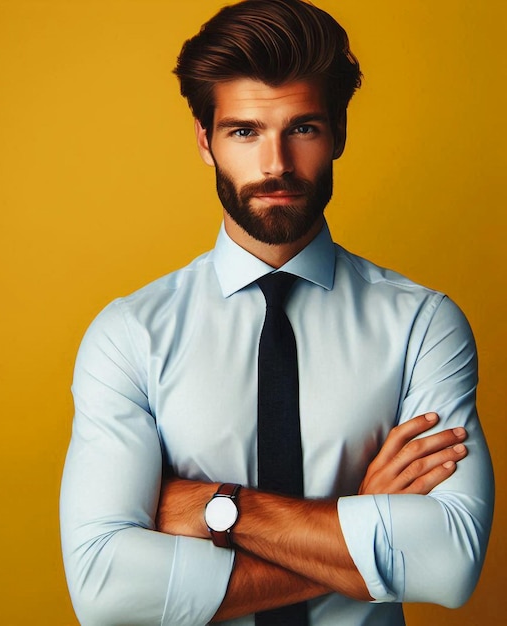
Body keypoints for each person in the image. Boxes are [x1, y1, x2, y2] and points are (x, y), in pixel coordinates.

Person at [59, 1, 494, 624]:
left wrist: (219, 509)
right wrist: (360, 519)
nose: (276, 165)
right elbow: (105, 591)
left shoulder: (422, 326)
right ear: (205, 142)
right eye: (245, 132)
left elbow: (450, 565)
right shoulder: (130, 336)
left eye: (304, 129)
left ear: (339, 132)